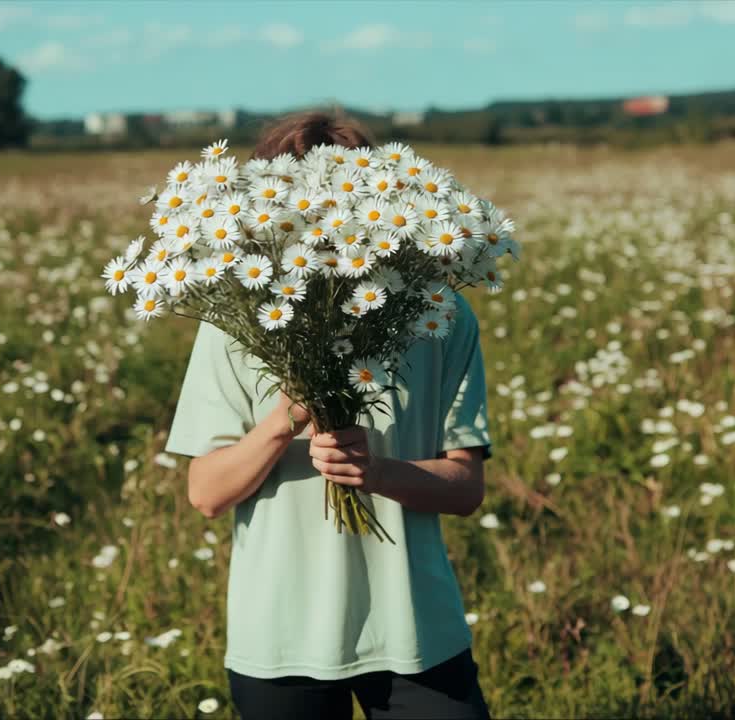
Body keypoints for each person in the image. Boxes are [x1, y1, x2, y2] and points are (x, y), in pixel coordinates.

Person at [164, 110, 493, 720]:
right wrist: (284, 417)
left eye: (341, 193)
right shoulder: (233, 320)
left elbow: (467, 487)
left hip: (417, 634)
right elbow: (206, 493)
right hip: (281, 641)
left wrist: (376, 473)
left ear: (380, 196)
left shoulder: (443, 315)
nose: (318, 218)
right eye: (298, 197)